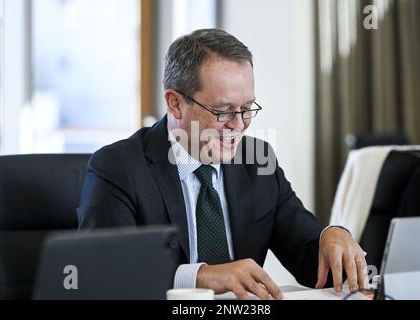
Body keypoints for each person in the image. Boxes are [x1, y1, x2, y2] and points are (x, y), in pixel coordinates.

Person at [77, 29, 367, 300]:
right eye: (223, 111)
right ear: (175, 103)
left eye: (247, 108)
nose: (239, 125)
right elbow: (102, 273)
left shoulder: (257, 160)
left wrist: (333, 236)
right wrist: (200, 276)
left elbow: (306, 254)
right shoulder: (119, 166)